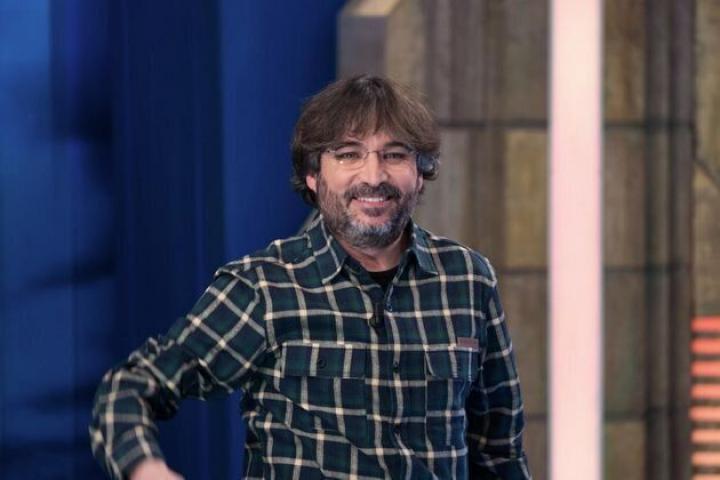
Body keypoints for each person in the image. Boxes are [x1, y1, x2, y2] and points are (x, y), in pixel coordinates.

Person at [90, 75, 531, 479]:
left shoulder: (468, 280)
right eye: (348, 154)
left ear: (420, 174)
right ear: (314, 176)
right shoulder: (265, 285)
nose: (373, 176)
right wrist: (147, 470)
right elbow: (128, 389)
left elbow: (500, 454)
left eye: (394, 155)